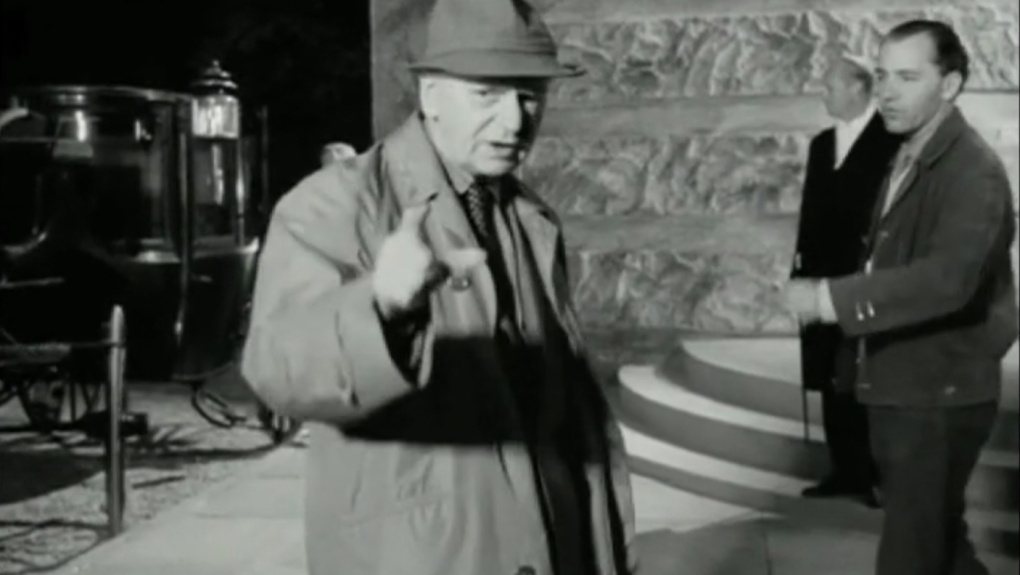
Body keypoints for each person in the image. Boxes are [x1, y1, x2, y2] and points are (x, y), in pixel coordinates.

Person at [240, 1, 637, 574]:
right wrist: (383, 307)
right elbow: (278, 370)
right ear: (429, 94)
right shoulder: (332, 204)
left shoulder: (529, 215)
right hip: (426, 555)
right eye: (487, 94)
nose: (515, 121)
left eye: (530, 94)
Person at [783, 19, 1018, 575]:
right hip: (907, 383)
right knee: (940, 542)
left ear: (950, 84)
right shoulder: (912, 149)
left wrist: (830, 300)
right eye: (884, 76)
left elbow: (946, 280)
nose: (887, 92)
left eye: (908, 78)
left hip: (935, 392)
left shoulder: (972, 171)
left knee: (911, 553)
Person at [791, 54, 899, 508]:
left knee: (868, 374)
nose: (823, 94)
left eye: (829, 87)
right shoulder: (822, 145)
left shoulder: (891, 141)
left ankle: (880, 475)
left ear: (858, 89)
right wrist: (799, 274)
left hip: (865, 275)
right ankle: (845, 470)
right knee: (831, 375)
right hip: (821, 276)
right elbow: (810, 213)